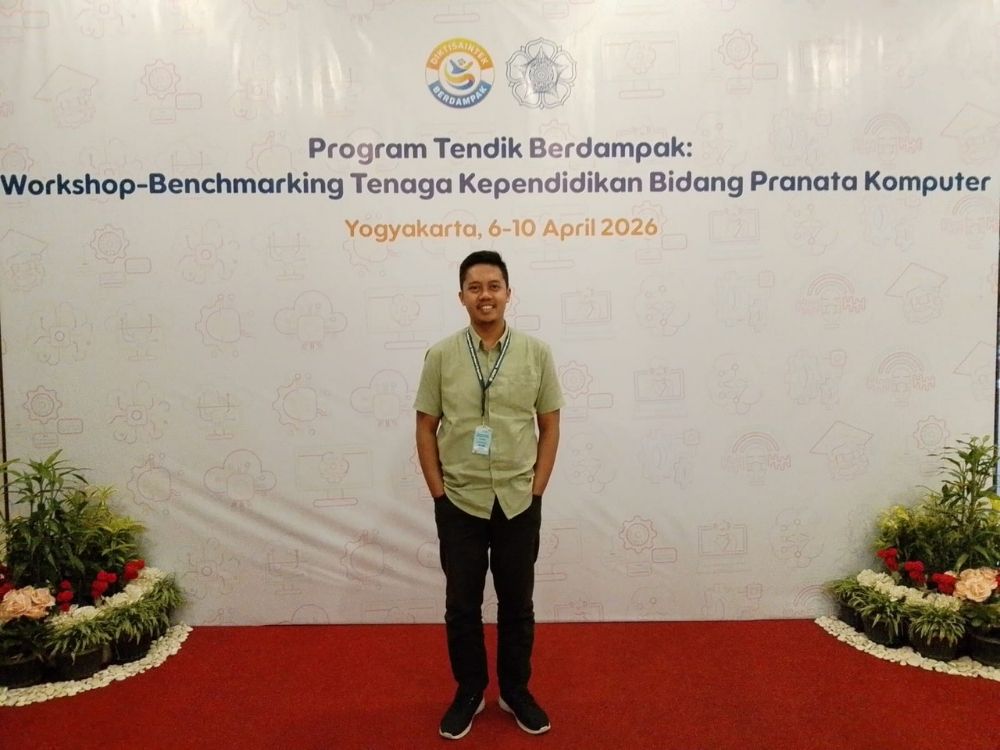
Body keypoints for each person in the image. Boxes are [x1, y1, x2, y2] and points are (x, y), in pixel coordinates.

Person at [414, 250, 563, 740]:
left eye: (494, 286)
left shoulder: (536, 354)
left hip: (518, 500)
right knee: (462, 605)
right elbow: (425, 426)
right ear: (461, 296)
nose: (485, 295)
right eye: (475, 287)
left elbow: (549, 425)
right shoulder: (440, 356)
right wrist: (439, 495)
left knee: (518, 605)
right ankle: (470, 691)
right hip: (460, 501)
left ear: (508, 293)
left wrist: (536, 490)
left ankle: (515, 691)